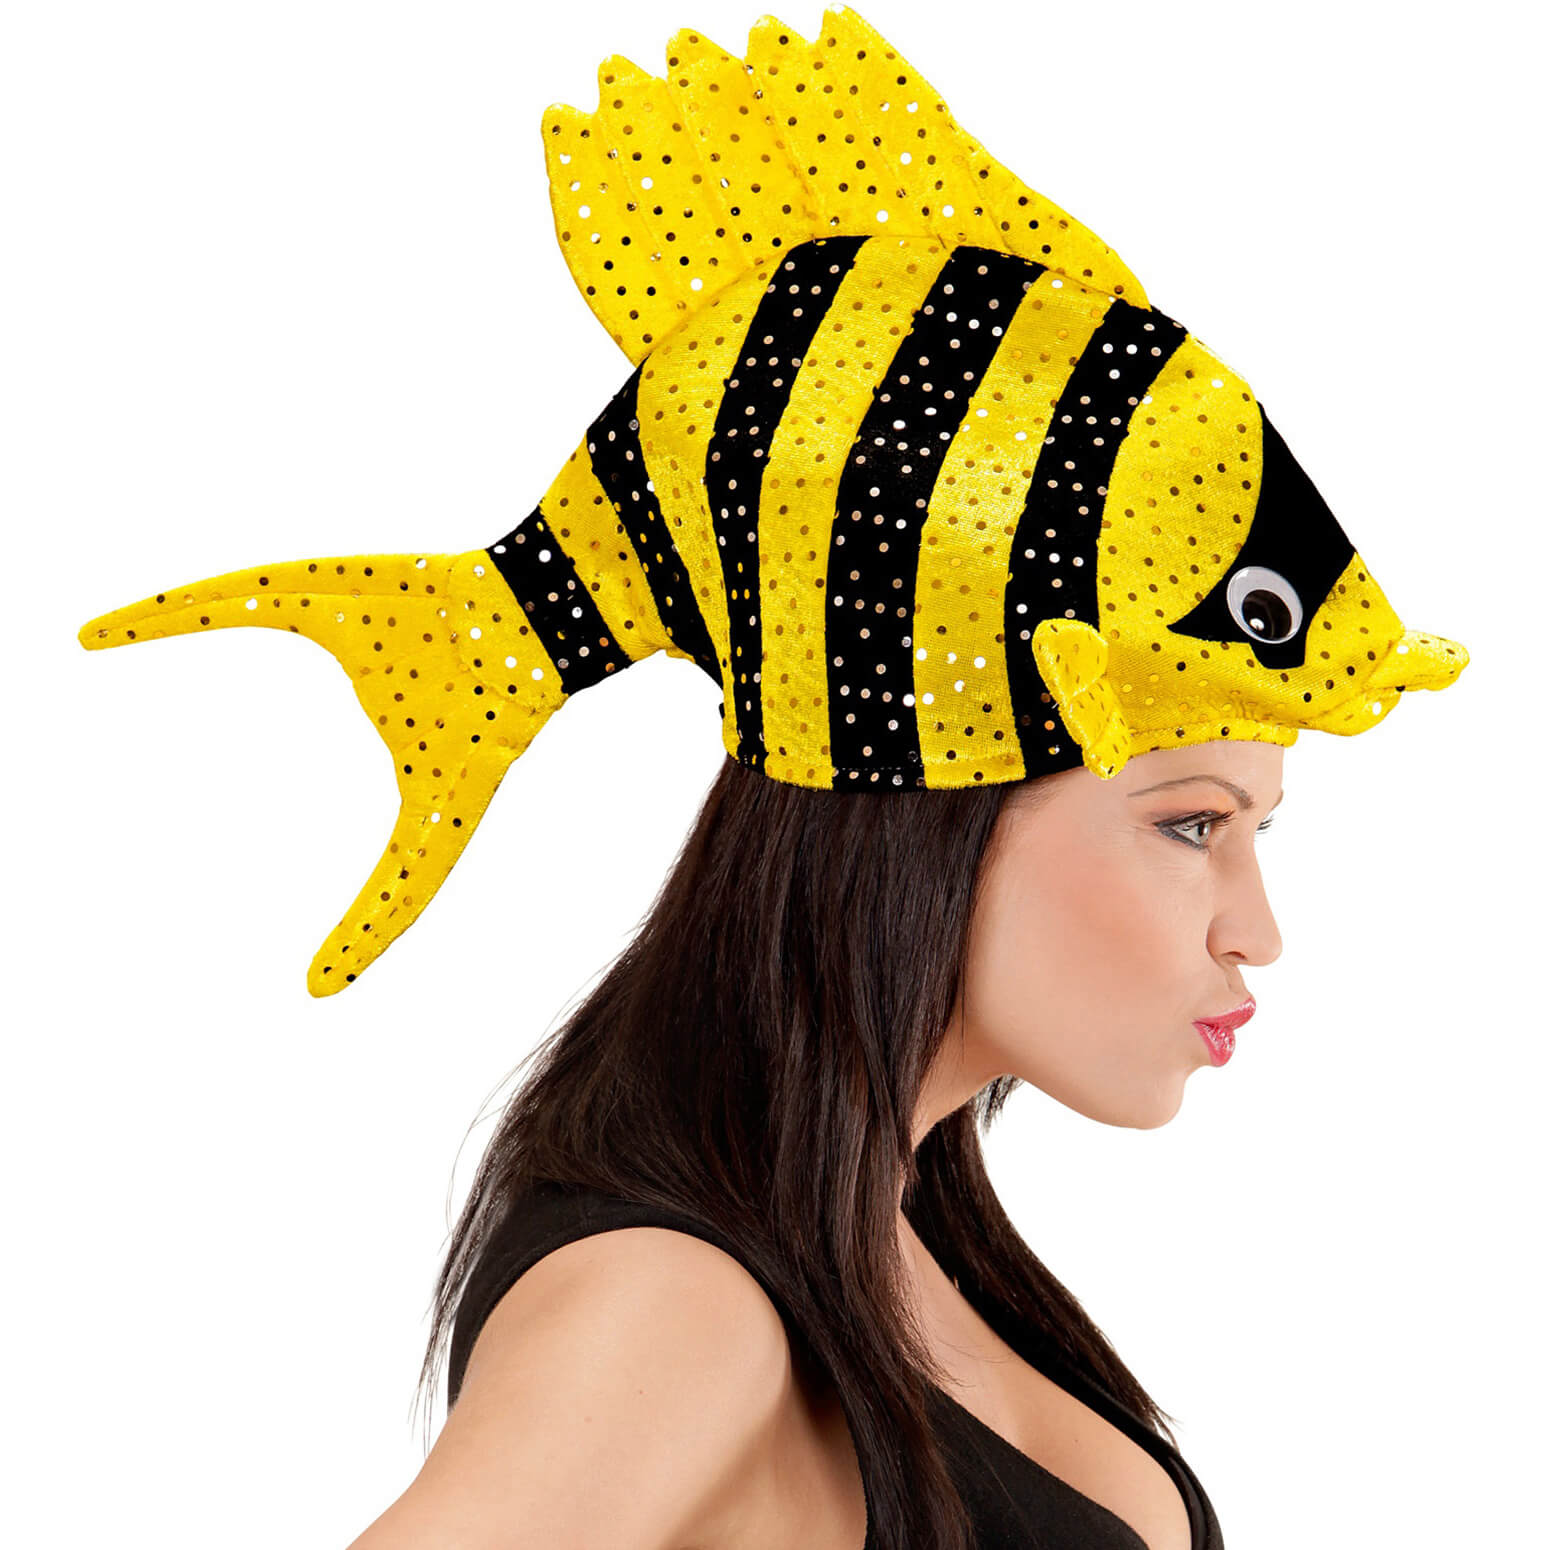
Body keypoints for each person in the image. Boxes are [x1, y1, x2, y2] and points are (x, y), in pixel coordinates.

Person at [74, 9, 1467, 1548]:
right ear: (923, 799)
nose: (1254, 927)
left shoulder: (891, 1242)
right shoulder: (673, 1304)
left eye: (1256, 827)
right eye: (1190, 822)